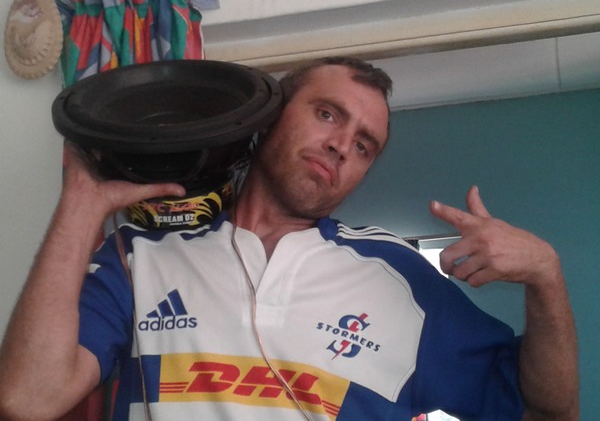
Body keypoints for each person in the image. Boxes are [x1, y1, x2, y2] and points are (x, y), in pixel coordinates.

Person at [0, 57, 578, 421]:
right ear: (267, 117)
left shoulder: (401, 279)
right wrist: (82, 201)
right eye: (327, 114)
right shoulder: (139, 256)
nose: (342, 146)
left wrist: (546, 276)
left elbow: (549, 412)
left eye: (364, 145)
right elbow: (26, 399)